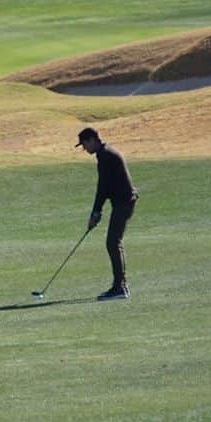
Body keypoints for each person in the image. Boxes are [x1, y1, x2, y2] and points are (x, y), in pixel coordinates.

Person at [76, 126, 138, 300]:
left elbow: (102, 188)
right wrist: (97, 213)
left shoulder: (105, 156)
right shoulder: (105, 153)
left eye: (84, 144)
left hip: (124, 203)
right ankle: (120, 286)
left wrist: (96, 213)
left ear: (92, 140)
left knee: (113, 242)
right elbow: (105, 187)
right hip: (122, 202)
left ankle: (120, 288)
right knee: (113, 242)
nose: (84, 149)